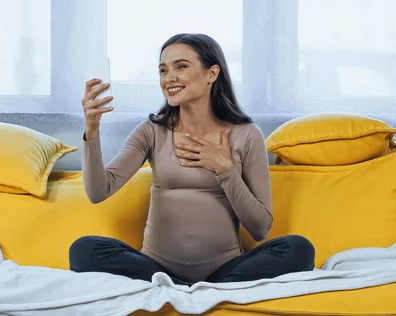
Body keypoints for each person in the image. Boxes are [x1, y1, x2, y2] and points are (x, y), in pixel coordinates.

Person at [69, 33, 315, 285]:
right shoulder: (152, 130)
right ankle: (193, 290)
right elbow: (99, 191)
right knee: (84, 249)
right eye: (163, 70)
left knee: (298, 249)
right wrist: (92, 130)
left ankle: (186, 291)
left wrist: (226, 171)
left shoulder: (246, 134)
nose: (169, 78)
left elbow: (260, 229)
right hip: (156, 269)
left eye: (181, 66)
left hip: (224, 269)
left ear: (212, 73)